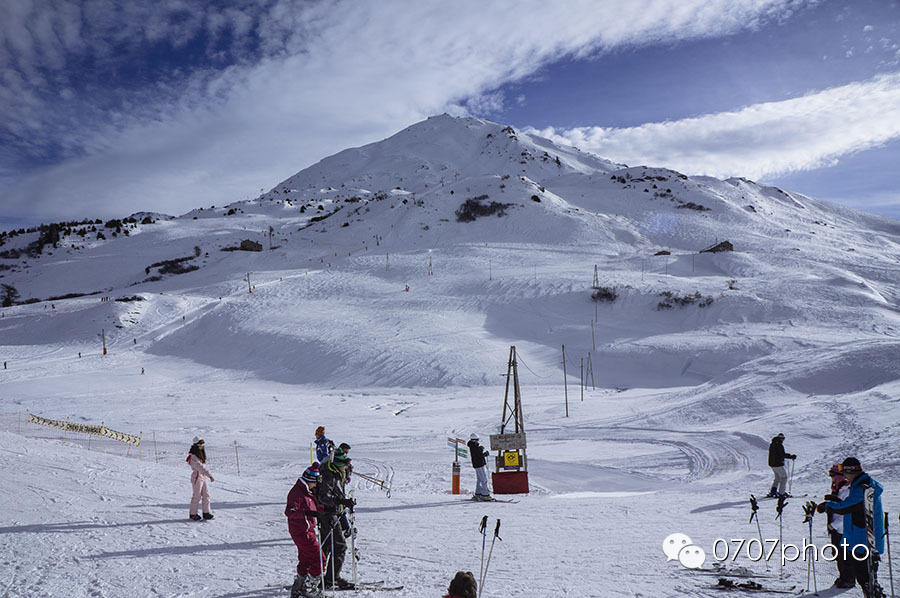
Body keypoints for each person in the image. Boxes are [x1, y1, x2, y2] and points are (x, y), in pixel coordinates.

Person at [821, 457, 885, 598]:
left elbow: (848, 507)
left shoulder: (863, 487)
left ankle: (873, 594)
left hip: (863, 537)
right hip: (858, 535)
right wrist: (833, 502)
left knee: (865, 575)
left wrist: (828, 506)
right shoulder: (859, 485)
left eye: (845, 473)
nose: (844, 476)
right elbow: (851, 505)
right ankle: (872, 592)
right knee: (865, 575)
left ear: (851, 471)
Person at [315, 448, 356, 589]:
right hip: (328, 515)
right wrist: (341, 502)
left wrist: (344, 502)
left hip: (333, 514)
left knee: (326, 547)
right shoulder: (330, 475)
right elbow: (324, 497)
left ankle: (318, 577)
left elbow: (336, 493)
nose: (346, 467)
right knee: (340, 547)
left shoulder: (337, 472)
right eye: (345, 464)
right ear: (338, 463)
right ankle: (331, 579)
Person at [286, 465, 325, 598]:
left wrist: (324, 510)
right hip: (302, 531)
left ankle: (299, 586)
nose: (316, 485)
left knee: (306, 559)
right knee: (320, 559)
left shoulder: (306, 491)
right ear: (310, 480)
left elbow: (313, 507)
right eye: (315, 481)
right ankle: (309, 589)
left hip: (307, 530)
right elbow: (290, 511)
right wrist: (308, 513)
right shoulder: (297, 492)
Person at [820, 464, 854, 588]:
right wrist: (826, 505)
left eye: (833, 475)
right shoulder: (839, 489)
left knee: (844, 554)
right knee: (837, 554)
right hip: (836, 529)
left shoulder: (846, 491)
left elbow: (847, 512)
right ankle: (843, 576)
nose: (832, 478)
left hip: (842, 529)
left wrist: (834, 525)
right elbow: (836, 505)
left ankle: (848, 578)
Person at [186, 437, 214, 521]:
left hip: (203, 477)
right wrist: (210, 475)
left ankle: (206, 512)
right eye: (200, 444)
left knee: (206, 495)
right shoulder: (193, 457)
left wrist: (206, 476)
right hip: (197, 477)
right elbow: (200, 468)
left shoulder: (199, 455)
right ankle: (193, 514)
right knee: (197, 496)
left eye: (202, 444)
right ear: (196, 445)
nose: (202, 446)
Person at [767, 433, 796, 498]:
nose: (783, 440)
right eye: (782, 438)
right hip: (778, 464)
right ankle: (781, 493)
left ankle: (773, 491)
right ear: (780, 438)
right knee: (784, 477)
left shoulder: (773, 444)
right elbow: (781, 454)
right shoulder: (779, 445)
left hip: (772, 464)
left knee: (777, 478)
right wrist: (791, 456)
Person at [467, 433, 492, 501]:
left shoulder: (473, 446)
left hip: (477, 464)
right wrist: (482, 450)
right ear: (475, 440)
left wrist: (483, 453)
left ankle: (478, 493)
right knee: (484, 479)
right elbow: (478, 454)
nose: (478, 441)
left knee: (480, 479)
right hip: (479, 465)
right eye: (477, 440)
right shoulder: (474, 446)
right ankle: (485, 495)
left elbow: (478, 455)